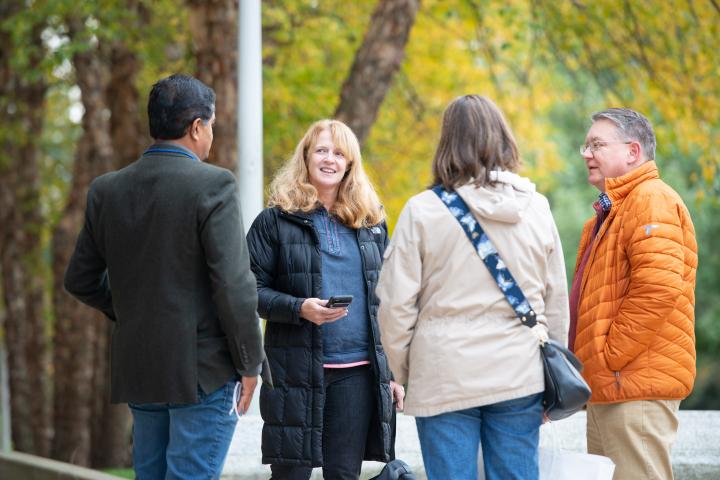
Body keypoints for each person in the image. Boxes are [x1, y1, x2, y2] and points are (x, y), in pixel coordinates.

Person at [64, 73, 267, 480]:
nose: (211, 133)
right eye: (211, 125)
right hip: (203, 369)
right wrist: (251, 363)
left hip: (141, 366)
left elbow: (80, 279)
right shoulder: (214, 184)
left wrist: (133, 309)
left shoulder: (107, 190)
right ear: (196, 127)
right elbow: (233, 284)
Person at [376, 95, 568, 480]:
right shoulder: (537, 208)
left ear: (447, 143)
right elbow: (556, 300)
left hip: (444, 372)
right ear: (503, 139)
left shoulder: (422, 210)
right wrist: (553, 375)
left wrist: (402, 369)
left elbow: (395, 304)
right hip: (519, 370)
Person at [247, 119, 403, 480]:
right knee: (290, 475)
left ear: (350, 163)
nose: (329, 159)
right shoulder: (274, 220)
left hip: (357, 374)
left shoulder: (371, 222)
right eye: (321, 150)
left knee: (344, 474)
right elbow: (248, 292)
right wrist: (298, 308)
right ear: (305, 157)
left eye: (339, 152)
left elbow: (388, 301)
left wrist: (392, 371)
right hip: (294, 370)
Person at [570, 108, 697, 480]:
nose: (586, 154)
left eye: (597, 145)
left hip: (633, 386)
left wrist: (611, 357)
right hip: (611, 387)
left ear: (633, 151)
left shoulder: (651, 199)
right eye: (586, 145)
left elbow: (658, 289)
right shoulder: (610, 212)